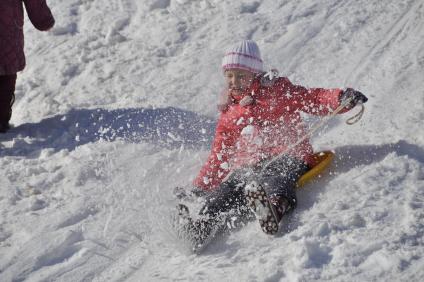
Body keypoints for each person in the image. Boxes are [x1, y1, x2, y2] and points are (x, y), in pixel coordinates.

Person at [178, 40, 368, 245]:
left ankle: (273, 208)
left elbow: (310, 98)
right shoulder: (229, 112)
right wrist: (201, 186)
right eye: (229, 75)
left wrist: (340, 98)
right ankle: (200, 227)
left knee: (278, 178)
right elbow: (219, 154)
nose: (234, 81)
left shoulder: (277, 91)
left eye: (241, 75)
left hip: (288, 154)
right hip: (250, 165)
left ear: (255, 74)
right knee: (224, 192)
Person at [0, 0, 55, 133]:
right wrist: (43, 20)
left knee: (7, 74)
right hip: (8, 29)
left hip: (7, 29)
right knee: (6, 75)